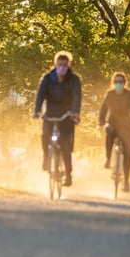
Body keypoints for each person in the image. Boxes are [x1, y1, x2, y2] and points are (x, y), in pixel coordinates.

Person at [33, 51, 82, 186]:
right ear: (55, 64)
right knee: (45, 136)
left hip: (67, 115)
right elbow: (40, 95)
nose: (62, 68)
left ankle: (68, 174)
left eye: (65, 65)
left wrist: (75, 113)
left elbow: (77, 97)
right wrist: (37, 111)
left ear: (68, 66)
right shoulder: (47, 78)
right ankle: (46, 158)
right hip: (50, 114)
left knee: (66, 145)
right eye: (60, 65)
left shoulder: (74, 80)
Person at [98, 72, 130, 192]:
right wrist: (101, 120)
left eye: (121, 82)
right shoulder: (110, 94)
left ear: (125, 83)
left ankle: (126, 181)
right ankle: (108, 159)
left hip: (126, 126)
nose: (118, 84)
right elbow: (103, 109)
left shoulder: (129, 94)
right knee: (109, 133)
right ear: (113, 83)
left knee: (127, 152)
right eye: (116, 82)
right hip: (113, 124)